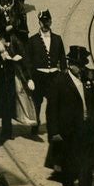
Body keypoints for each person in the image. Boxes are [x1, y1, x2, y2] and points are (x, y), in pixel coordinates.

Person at [45, 45, 94, 186]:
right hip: (67, 133)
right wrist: (54, 132)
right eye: (79, 65)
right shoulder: (59, 82)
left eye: (83, 65)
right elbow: (51, 109)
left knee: (86, 167)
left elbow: (93, 103)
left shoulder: (87, 81)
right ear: (71, 64)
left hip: (86, 131)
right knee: (68, 167)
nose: (82, 68)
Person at [26, 9, 67, 138]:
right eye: (42, 21)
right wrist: (29, 78)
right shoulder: (32, 40)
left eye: (47, 21)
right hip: (38, 76)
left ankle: (53, 128)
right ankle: (35, 126)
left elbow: (62, 59)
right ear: (39, 22)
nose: (45, 24)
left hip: (53, 76)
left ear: (51, 22)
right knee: (37, 103)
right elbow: (28, 61)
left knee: (54, 103)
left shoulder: (57, 39)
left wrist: (64, 76)